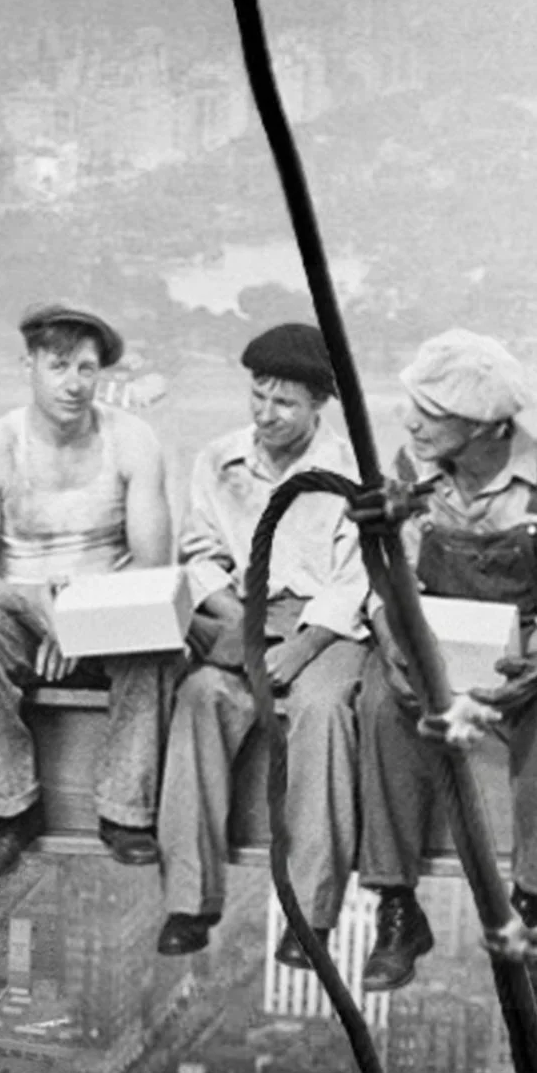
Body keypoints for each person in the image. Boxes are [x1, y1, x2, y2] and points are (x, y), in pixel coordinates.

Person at [353, 331, 537, 993]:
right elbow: (388, 579)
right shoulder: (407, 470)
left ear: (488, 426)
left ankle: (526, 912)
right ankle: (396, 907)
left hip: (534, 642)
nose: (411, 422)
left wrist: (535, 668)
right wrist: (394, 642)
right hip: (436, 637)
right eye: (414, 404)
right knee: (380, 700)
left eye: (433, 413)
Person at [156, 322, 369, 965]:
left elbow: (355, 580)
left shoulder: (351, 472)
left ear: (318, 405)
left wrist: (299, 649)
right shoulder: (218, 460)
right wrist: (238, 622)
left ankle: (310, 917)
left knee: (322, 711)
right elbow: (200, 553)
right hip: (243, 612)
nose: (266, 414)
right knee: (200, 697)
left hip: (326, 627)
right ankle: (189, 901)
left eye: (285, 403)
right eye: (258, 395)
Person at [0, 302, 171, 882]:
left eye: (86, 369)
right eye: (59, 366)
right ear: (30, 367)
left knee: (159, 642)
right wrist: (38, 609)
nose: (73, 383)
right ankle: (9, 809)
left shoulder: (132, 439)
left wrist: (80, 619)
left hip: (109, 606)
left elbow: (151, 565)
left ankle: (125, 811)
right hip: (23, 609)